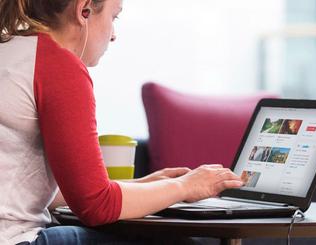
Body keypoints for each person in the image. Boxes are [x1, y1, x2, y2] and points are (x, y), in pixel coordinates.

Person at [0, 0, 244, 244]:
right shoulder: (57, 66)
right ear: (83, 10)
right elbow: (96, 206)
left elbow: (38, 195)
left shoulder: (11, 52)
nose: (114, 35)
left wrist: (140, 187)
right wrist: (186, 186)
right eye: (113, 17)